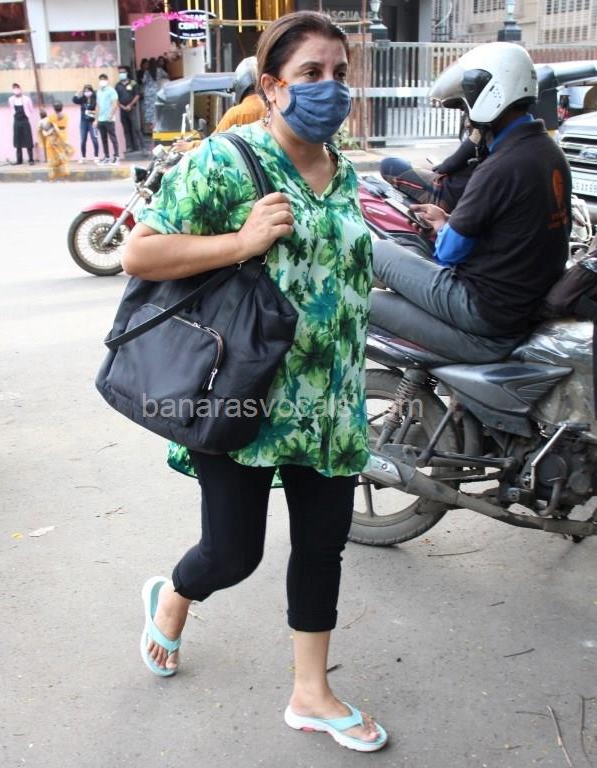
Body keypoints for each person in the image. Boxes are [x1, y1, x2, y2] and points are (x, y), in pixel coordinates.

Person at [121, 10, 388, 754]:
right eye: (311, 74)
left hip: (330, 403)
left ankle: (311, 693)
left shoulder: (344, 169)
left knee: (322, 546)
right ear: (272, 87)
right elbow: (139, 255)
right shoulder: (226, 161)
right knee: (234, 554)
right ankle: (173, 597)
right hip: (243, 398)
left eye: (340, 74)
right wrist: (240, 241)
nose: (331, 88)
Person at [372, 42, 572, 364]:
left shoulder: (501, 166)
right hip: (522, 305)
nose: (466, 119)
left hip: (482, 313)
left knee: (376, 254)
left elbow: (448, 252)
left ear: (490, 96)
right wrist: (447, 221)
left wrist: (443, 228)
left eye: (466, 106)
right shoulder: (550, 153)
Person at [379, 122, 485, 212]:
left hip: (450, 194)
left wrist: (441, 169)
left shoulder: (484, 128)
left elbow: (449, 166)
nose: (468, 124)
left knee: (388, 165)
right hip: (466, 191)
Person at [172, 56, 267, 153]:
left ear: (239, 84)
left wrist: (189, 146)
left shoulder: (236, 114)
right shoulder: (272, 108)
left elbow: (213, 144)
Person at [37, 102, 73, 180]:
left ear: (54, 109)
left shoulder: (52, 117)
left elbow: (46, 127)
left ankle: (52, 176)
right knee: (61, 157)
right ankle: (64, 174)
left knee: (52, 158)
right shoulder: (66, 116)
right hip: (62, 138)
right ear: (62, 108)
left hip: (52, 140)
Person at [115, 65, 143, 153]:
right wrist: (122, 106)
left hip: (132, 109)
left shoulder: (132, 83)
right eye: (120, 73)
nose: (121, 74)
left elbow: (137, 95)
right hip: (123, 110)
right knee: (126, 129)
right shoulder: (117, 85)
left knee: (136, 128)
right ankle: (129, 147)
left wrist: (130, 105)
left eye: (123, 72)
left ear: (127, 73)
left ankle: (142, 147)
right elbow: (115, 98)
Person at [94, 73, 119, 165]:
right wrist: (96, 119)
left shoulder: (111, 91)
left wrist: (111, 115)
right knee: (103, 139)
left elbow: (115, 104)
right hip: (101, 119)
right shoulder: (98, 92)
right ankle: (107, 157)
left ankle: (116, 157)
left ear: (107, 80)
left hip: (109, 119)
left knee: (113, 138)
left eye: (104, 79)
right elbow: (97, 106)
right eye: (101, 79)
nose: (102, 81)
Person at [8, 83, 34, 165]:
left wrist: (27, 115)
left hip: (25, 120)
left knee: (28, 139)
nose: (16, 89)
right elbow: (11, 109)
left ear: (20, 88)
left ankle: (31, 159)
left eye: (17, 87)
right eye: (14, 88)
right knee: (17, 140)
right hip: (16, 120)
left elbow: (31, 109)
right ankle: (19, 160)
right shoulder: (11, 99)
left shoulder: (27, 99)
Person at [72, 83, 99, 162]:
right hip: (83, 122)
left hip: (92, 122)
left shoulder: (95, 99)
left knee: (94, 139)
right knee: (83, 140)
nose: (87, 92)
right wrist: (77, 92)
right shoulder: (82, 99)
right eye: (85, 91)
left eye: (88, 91)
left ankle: (96, 157)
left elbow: (98, 110)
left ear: (92, 91)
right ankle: (83, 157)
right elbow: (74, 100)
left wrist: (95, 119)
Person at [141, 57, 168, 133]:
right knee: (155, 109)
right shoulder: (159, 70)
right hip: (156, 92)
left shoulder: (147, 72)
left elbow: (144, 81)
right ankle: (155, 126)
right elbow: (166, 75)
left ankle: (150, 128)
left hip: (148, 93)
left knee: (149, 110)